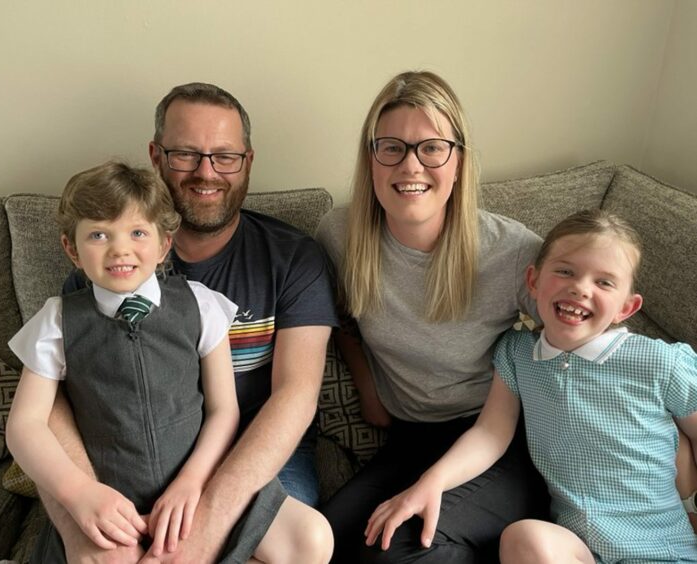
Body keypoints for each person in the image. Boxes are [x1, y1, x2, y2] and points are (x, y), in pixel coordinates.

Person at [40, 83, 336, 563]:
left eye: (224, 156)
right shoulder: (109, 272)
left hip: (256, 450)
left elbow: (295, 396)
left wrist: (207, 518)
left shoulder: (292, 259)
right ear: (156, 156)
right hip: (135, 458)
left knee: (302, 541)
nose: (206, 173)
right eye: (186, 155)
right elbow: (51, 405)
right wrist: (84, 504)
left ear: (247, 161)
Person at [365, 209, 697, 563]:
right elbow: (491, 433)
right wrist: (432, 481)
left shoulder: (662, 362)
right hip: (577, 549)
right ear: (533, 281)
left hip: (663, 550)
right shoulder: (516, 352)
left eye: (604, 282)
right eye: (565, 271)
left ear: (626, 308)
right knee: (524, 537)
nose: (580, 288)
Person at [316, 70, 547, 563]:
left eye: (431, 148)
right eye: (392, 148)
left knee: (403, 550)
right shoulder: (339, 236)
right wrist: (368, 388)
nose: (411, 165)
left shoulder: (512, 252)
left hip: (498, 441)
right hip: (411, 437)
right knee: (325, 543)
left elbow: (589, 334)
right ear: (371, 159)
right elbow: (343, 319)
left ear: (458, 161)